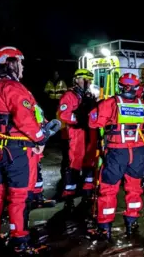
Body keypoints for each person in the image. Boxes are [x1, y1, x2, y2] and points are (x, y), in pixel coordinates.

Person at [0, 46, 48, 254]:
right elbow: (25, 119)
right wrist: (41, 138)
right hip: (16, 150)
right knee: (18, 197)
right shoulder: (11, 87)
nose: (22, 67)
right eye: (20, 62)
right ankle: (19, 240)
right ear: (10, 63)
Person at [88, 73, 144, 239]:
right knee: (134, 188)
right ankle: (132, 223)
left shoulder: (110, 103)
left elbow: (93, 122)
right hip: (137, 153)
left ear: (120, 86)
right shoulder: (143, 105)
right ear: (137, 88)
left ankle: (104, 228)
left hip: (117, 151)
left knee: (108, 189)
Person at [57, 69, 98, 212]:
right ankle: (69, 195)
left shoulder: (90, 95)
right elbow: (63, 114)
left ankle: (87, 191)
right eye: (85, 79)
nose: (88, 82)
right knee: (73, 163)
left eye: (89, 80)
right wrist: (78, 118)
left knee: (89, 162)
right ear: (77, 80)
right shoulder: (69, 95)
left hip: (90, 133)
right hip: (75, 134)